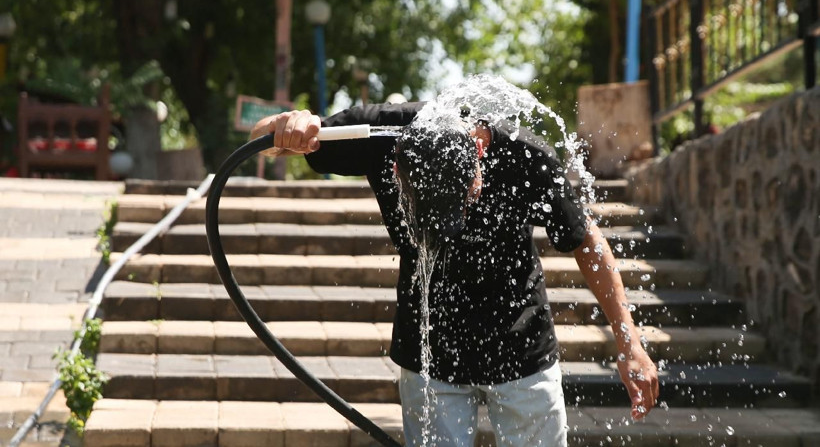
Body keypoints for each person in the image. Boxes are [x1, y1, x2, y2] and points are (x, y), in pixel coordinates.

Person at [250, 101, 659, 447]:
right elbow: (260, 139)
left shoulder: (526, 156)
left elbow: (586, 242)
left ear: (479, 152)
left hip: (520, 349)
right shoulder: (380, 134)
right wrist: (288, 125)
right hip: (428, 353)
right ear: (396, 165)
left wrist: (630, 342)